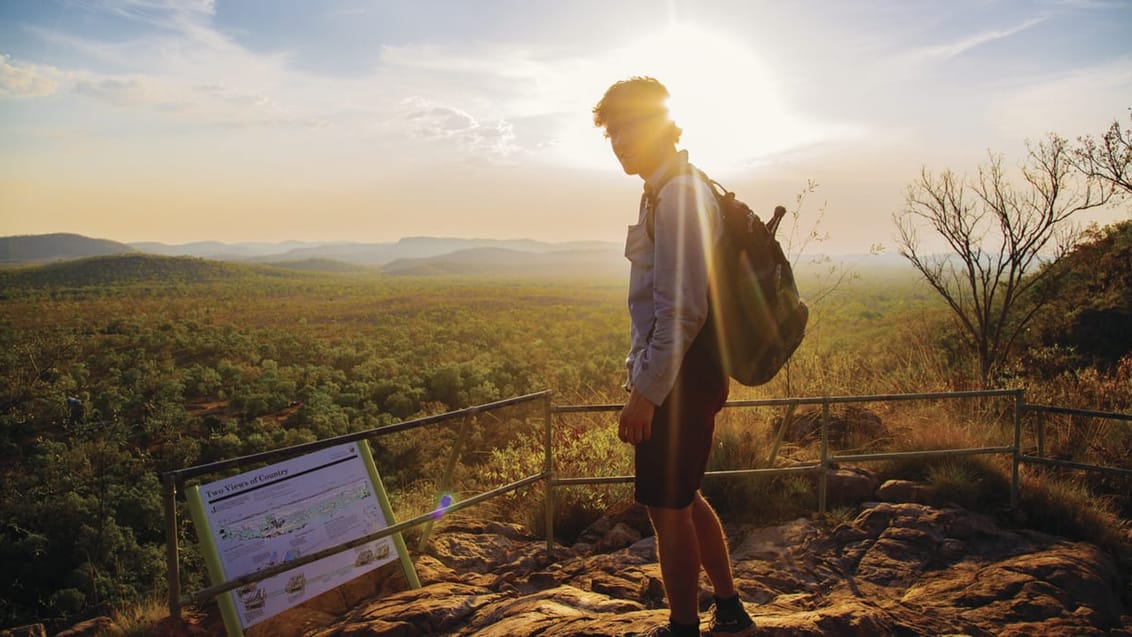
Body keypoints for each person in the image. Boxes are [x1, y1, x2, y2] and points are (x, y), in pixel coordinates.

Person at [592, 77, 755, 637]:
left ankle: (684, 625)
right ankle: (729, 608)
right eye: (612, 131)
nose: (619, 140)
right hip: (687, 372)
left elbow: (681, 310)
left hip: (681, 378)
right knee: (683, 498)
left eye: (630, 126)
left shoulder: (680, 195)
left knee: (666, 512)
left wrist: (646, 394)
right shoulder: (664, 190)